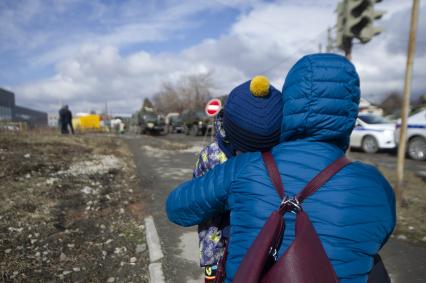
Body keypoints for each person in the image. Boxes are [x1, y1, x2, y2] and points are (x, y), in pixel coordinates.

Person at [166, 53, 396, 283]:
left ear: (289, 105)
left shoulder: (246, 167)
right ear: (350, 113)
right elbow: (377, 237)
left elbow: (176, 208)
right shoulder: (376, 185)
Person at [193, 76, 283, 282]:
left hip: (248, 245)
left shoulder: (212, 155)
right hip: (229, 246)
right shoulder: (213, 158)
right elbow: (203, 210)